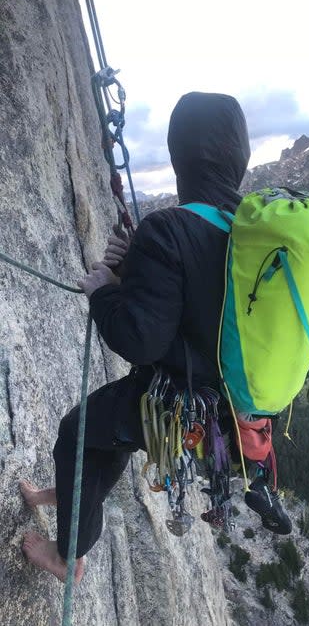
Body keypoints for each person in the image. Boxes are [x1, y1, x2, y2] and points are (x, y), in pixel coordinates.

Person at [21, 92, 290, 584]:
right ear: (240, 157)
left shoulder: (170, 228)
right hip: (231, 415)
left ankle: (68, 557)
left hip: (174, 407)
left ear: (177, 157)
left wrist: (105, 290)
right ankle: (71, 493)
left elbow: (139, 339)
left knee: (77, 433)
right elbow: (204, 305)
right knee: (107, 433)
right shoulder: (250, 232)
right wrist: (136, 272)